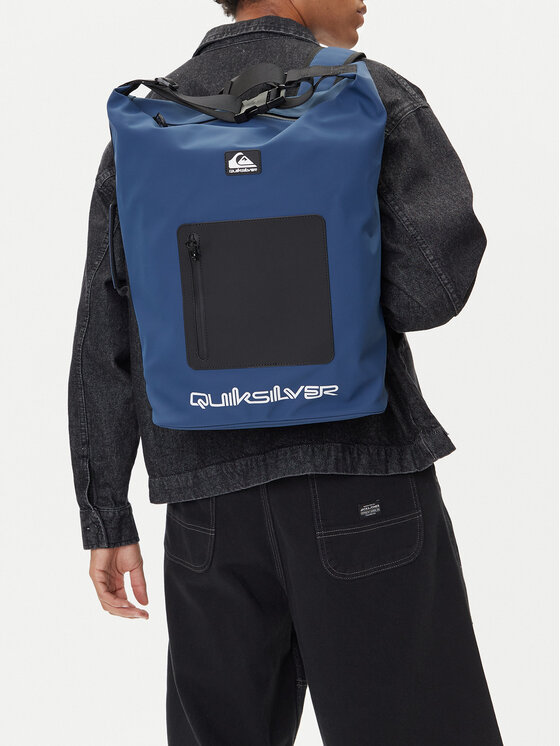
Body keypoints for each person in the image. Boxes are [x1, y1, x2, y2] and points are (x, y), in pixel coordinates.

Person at [67, 1, 504, 743]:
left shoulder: (150, 124)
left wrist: (106, 513)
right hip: (362, 487)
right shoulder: (369, 94)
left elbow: (104, 331)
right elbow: (431, 293)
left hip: (206, 510)